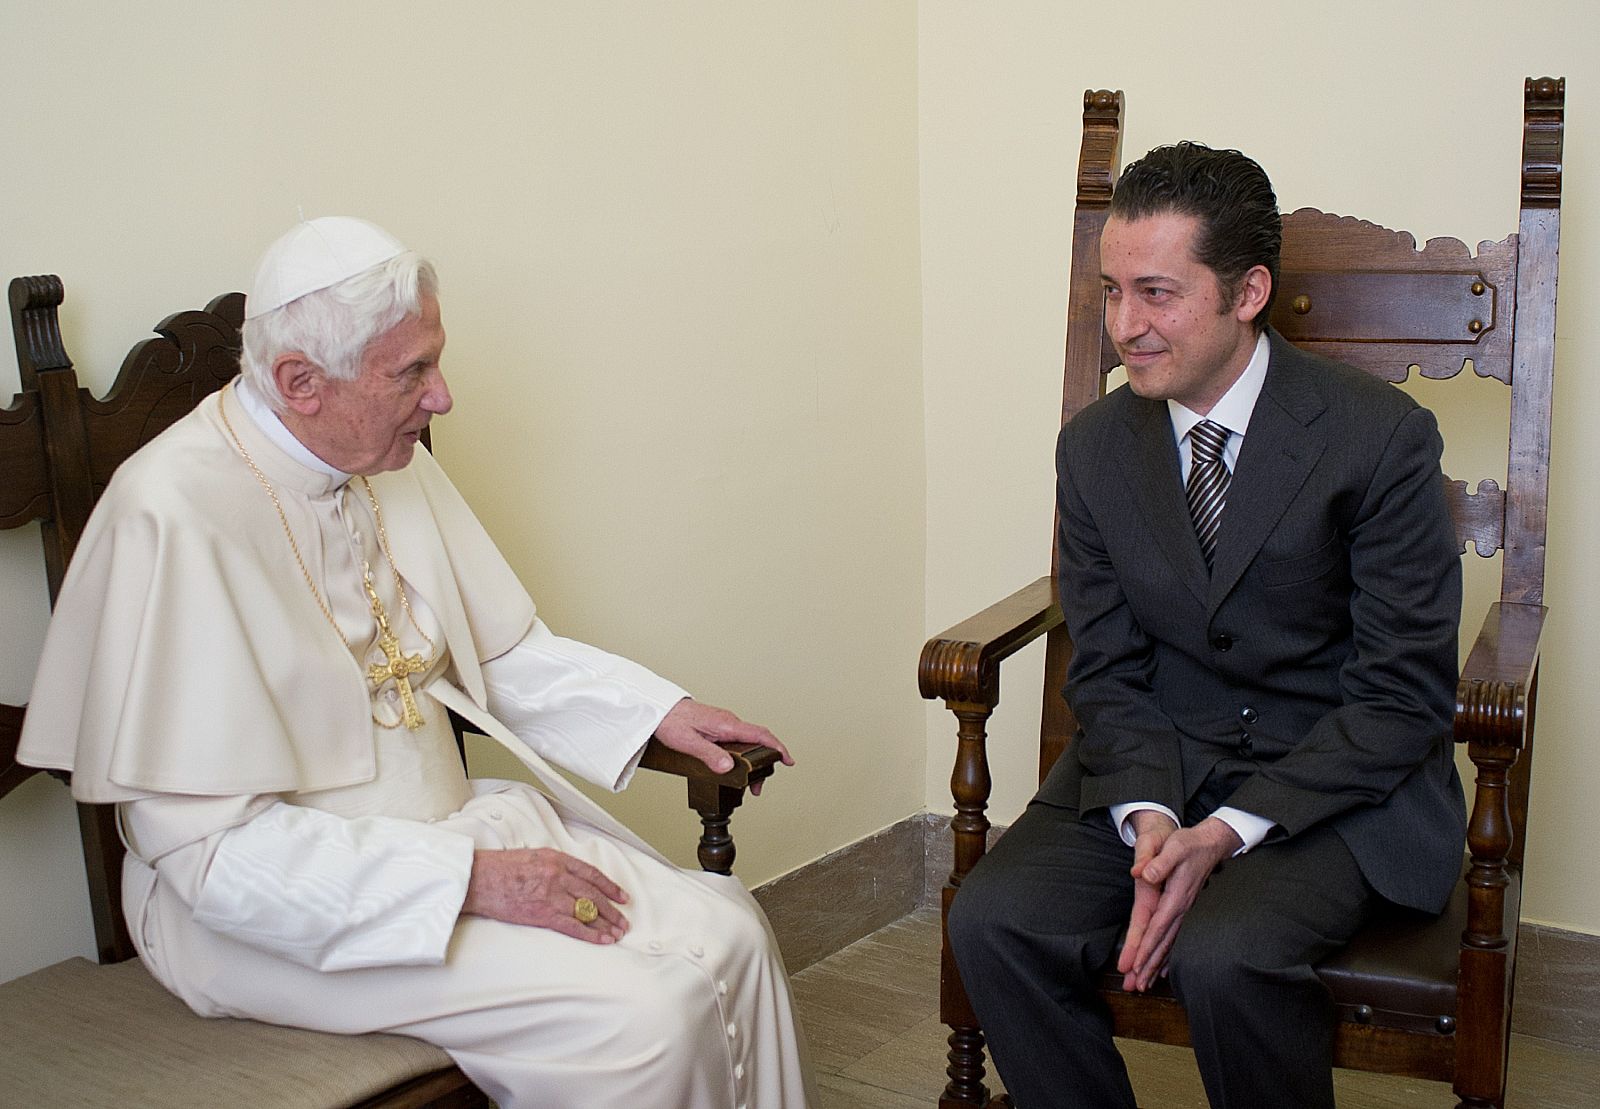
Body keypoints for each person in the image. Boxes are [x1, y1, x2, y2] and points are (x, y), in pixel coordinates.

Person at [19, 216, 817, 1108]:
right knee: (646, 1013)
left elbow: (490, 651)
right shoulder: (168, 513)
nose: (443, 399)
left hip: (452, 834)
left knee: (733, 927)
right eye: (413, 372)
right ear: (300, 382)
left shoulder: (372, 453)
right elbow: (211, 860)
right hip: (261, 914)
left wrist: (651, 710)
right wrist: (471, 883)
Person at [947, 144, 1465, 1108]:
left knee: (1228, 956)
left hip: (1332, 785)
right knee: (993, 919)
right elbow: (1103, 667)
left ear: (1248, 291)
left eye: (1156, 293)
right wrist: (1150, 818)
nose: (1125, 327)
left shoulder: (1378, 437)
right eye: (1110, 293)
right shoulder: (1095, 446)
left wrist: (1223, 833)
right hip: (1157, 759)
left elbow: (1401, 695)